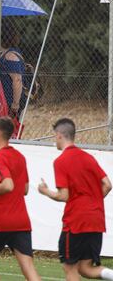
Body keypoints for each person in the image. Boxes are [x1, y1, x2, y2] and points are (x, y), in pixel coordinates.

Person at [38, 118, 113, 281]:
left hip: (76, 222)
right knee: (85, 268)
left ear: (59, 135)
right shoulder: (88, 157)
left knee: (69, 267)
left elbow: (63, 195)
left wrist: (45, 191)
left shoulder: (61, 161)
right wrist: (92, 202)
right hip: (96, 219)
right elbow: (107, 184)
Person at [0, 118, 41, 281]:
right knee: (28, 267)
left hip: (1, 220)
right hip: (21, 221)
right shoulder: (19, 156)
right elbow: (24, 189)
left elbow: (8, 185)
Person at [0, 21, 26, 119]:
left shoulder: (10, 56)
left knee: (8, 130)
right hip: (5, 99)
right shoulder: (6, 53)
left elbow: (17, 80)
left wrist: (15, 103)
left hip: (10, 100)